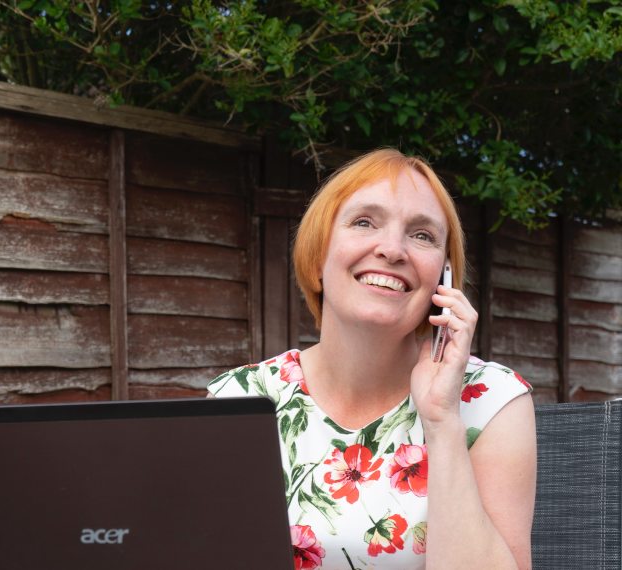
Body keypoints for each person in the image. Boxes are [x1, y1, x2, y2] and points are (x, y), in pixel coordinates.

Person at [207, 148, 536, 570]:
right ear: (317, 257)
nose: (393, 249)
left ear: (444, 279)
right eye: (365, 222)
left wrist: (441, 420)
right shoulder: (241, 400)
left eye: (422, 235)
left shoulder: (493, 402)